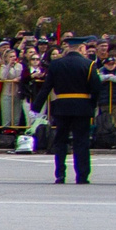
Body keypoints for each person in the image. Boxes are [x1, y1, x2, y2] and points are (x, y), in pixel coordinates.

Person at [43, 32, 95, 184]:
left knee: (61, 141)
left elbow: (47, 86)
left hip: (62, 106)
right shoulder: (89, 64)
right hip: (82, 107)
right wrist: (92, 105)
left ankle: (60, 174)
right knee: (81, 142)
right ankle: (82, 175)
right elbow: (96, 88)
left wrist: (36, 106)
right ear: (81, 48)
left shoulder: (56, 64)